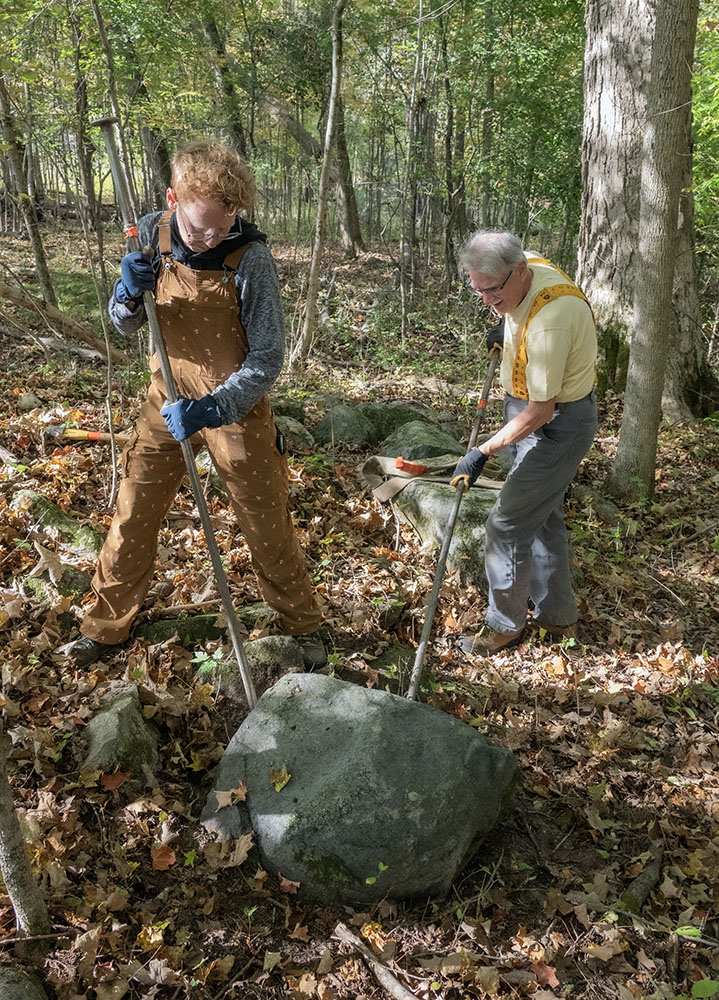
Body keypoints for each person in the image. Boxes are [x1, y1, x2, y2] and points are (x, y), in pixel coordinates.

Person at [66, 140, 326, 669]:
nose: (209, 237)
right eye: (197, 225)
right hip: (165, 397)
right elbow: (123, 326)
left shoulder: (249, 258)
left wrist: (214, 408)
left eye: (221, 225)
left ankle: (302, 628)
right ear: (172, 198)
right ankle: (105, 626)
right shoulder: (149, 234)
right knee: (134, 510)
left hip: (234, 408)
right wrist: (124, 295)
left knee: (265, 519)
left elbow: (269, 357)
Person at [450, 229, 597, 655]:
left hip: (557, 426)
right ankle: (558, 616)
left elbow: (541, 411)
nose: (485, 299)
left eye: (492, 291)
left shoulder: (551, 324)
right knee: (542, 514)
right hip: (531, 409)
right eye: (477, 290)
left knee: (507, 523)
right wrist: (504, 322)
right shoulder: (525, 266)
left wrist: (482, 451)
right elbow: (515, 307)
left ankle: (504, 624)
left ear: (518, 271)